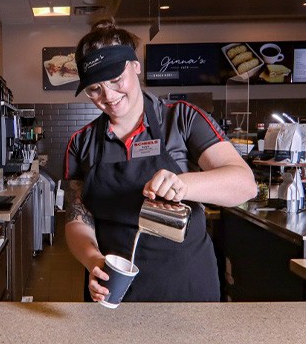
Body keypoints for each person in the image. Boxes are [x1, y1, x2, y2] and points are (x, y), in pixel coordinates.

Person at [63, 19, 256, 303]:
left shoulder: (183, 119)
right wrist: (92, 259)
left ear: (136, 66)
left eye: (116, 80)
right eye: (95, 89)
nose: (109, 96)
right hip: (114, 288)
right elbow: (77, 218)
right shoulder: (82, 142)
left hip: (186, 285)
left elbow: (245, 185)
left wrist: (182, 184)